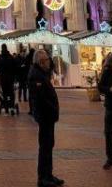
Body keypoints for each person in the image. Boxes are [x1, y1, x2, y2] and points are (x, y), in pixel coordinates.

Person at [29, 48, 64, 187]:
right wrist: (52, 108)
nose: (50, 62)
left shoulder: (41, 73)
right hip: (45, 116)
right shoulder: (37, 75)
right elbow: (40, 98)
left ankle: (48, 174)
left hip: (47, 116)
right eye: (48, 60)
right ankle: (43, 177)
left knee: (49, 145)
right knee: (45, 146)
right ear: (42, 62)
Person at [0, 43, 16, 111]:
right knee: (11, 91)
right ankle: (12, 105)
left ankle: (4, 104)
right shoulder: (11, 57)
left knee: (3, 92)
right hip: (10, 78)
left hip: (3, 78)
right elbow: (14, 67)